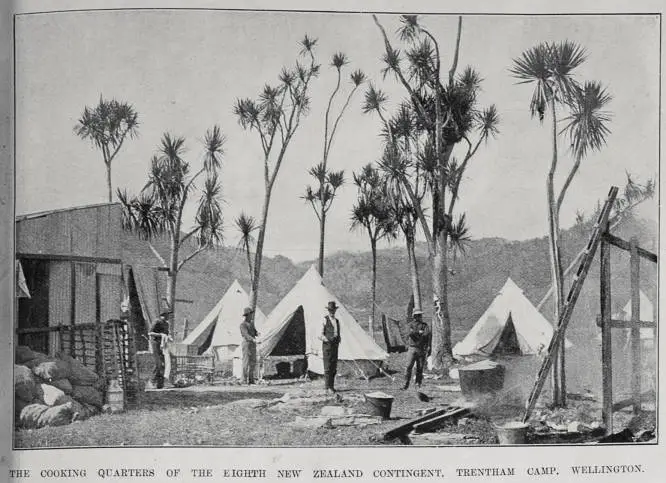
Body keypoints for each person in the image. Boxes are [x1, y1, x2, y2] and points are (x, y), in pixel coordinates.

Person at [403, 309, 431, 390]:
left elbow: (426, 335)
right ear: (414, 316)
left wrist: (417, 334)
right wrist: (419, 333)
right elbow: (410, 334)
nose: (419, 317)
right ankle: (406, 384)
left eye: (420, 315)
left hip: (421, 349)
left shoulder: (424, 325)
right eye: (417, 315)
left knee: (420, 367)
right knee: (408, 366)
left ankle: (418, 384)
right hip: (412, 348)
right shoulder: (410, 325)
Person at [320, 301, 341, 394]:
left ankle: (331, 386)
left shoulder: (337, 321)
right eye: (330, 310)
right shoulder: (324, 320)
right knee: (327, 366)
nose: (332, 312)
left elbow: (337, 333)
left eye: (333, 310)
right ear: (328, 311)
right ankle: (327, 387)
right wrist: (327, 339)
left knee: (333, 366)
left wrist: (338, 338)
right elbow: (320, 334)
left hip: (335, 346)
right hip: (327, 346)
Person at [148, 311, 171, 389]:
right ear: (162, 315)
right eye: (167, 315)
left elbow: (167, 334)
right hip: (155, 343)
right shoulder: (157, 321)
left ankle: (160, 384)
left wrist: (168, 337)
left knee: (163, 363)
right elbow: (150, 333)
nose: (168, 316)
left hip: (163, 344)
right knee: (158, 363)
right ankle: (151, 381)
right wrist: (160, 335)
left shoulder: (166, 324)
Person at [239, 306, 259, 385]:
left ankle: (251, 380)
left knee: (253, 361)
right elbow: (245, 334)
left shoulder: (251, 324)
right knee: (246, 361)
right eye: (250, 314)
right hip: (247, 344)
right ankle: (244, 380)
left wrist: (257, 334)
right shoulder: (243, 325)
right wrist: (252, 339)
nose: (251, 316)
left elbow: (255, 332)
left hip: (253, 344)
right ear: (247, 315)